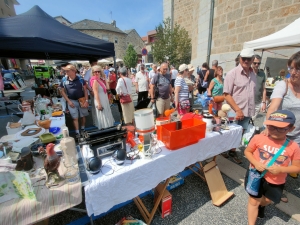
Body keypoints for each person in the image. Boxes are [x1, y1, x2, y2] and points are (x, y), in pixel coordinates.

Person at [244, 110, 300, 225]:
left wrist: (281, 169)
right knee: (253, 201)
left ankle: (262, 204)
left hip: (276, 180)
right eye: (271, 127)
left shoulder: (293, 146)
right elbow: (247, 151)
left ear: (291, 128)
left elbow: (297, 167)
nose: (275, 131)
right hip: (255, 174)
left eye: (281, 128)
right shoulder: (258, 138)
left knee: (268, 200)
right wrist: (255, 162)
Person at [265, 51, 300, 201]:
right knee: (277, 163)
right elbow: (273, 107)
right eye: (290, 68)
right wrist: (268, 128)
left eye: (297, 69)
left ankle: (278, 186)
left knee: (287, 165)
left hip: (298, 136)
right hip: (280, 135)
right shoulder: (283, 85)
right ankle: (272, 191)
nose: (292, 72)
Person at [223, 48, 256, 163]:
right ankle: (223, 151)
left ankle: (232, 151)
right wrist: (238, 110)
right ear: (240, 58)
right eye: (244, 58)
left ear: (252, 59)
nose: (246, 61)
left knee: (241, 132)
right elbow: (227, 95)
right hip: (235, 111)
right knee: (230, 132)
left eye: (249, 59)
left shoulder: (253, 73)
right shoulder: (232, 74)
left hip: (247, 110)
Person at [59, 64, 89, 138]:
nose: (66, 72)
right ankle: (77, 132)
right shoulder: (64, 79)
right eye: (65, 71)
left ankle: (82, 129)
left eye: (67, 71)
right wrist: (68, 101)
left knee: (83, 116)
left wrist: (86, 100)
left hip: (82, 100)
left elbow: (85, 90)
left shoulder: (80, 79)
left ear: (73, 71)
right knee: (75, 117)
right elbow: (62, 91)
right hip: (71, 101)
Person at [252, 55, 267, 120]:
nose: (257, 65)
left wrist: (264, 103)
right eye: (255, 63)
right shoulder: (247, 73)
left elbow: (264, 89)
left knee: (252, 121)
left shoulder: (262, 74)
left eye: (258, 63)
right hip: (247, 102)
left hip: (257, 102)